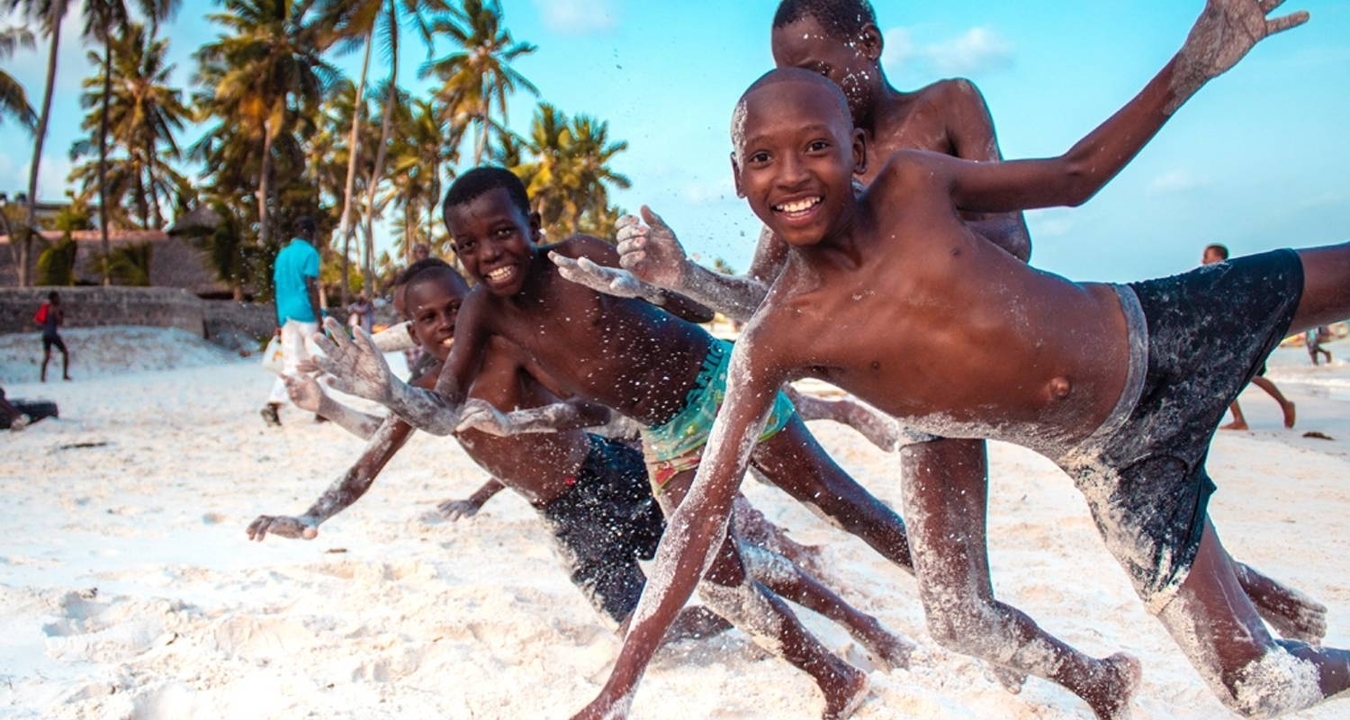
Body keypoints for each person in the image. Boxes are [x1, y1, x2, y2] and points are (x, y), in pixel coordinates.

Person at [574, 3, 1345, 718]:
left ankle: (1264, 600)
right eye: (765, 158)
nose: (793, 173)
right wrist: (620, 688)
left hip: (1159, 328)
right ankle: (1119, 672)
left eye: (817, 144)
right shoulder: (780, 333)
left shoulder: (916, 177)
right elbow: (699, 517)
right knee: (1265, 686)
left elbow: (1073, 179)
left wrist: (1194, 63)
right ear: (739, 176)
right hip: (1111, 457)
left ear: (858, 150)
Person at [313, 167, 938, 718]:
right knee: (721, 585)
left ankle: (958, 600)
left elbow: (688, 311)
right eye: (469, 246)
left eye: (502, 232)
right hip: (663, 437)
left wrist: (639, 281)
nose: (489, 253)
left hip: (720, 388)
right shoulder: (483, 311)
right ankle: (836, 676)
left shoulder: (579, 254)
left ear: (531, 223)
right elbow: (445, 410)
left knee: (841, 503)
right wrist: (390, 391)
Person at [252, 261, 912, 668]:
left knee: (713, 558)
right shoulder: (423, 391)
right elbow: (373, 452)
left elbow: (579, 408)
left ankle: (851, 616)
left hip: (608, 472)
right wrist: (309, 512)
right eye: (428, 317)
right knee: (665, 623)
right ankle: (762, 585)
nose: (447, 322)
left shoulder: (508, 352)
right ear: (413, 331)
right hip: (567, 520)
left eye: (456, 307)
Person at [1203, 243, 1298, 429]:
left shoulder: (1229, 276)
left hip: (1243, 337)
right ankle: (1240, 419)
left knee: (1251, 376)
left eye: (1207, 257)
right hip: (1231, 337)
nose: (1203, 261)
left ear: (1219, 258)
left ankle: (1284, 404)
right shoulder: (1218, 278)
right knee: (1223, 378)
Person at [261, 215, 324, 427]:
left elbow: (276, 290)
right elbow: (310, 286)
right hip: (306, 314)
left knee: (292, 363)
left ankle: (273, 403)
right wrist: (319, 318)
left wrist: (277, 321)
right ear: (309, 233)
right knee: (320, 360)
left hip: (286, 316)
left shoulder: (282, 255)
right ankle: (323, 409)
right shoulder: (310, 253)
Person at [35, 290, 70, 382]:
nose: (58, 299)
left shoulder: (46, 308)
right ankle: (65, 375)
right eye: (57, 297)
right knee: (65, 352)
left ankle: (42, 377)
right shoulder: (55, 309)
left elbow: (40, 321)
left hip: (45, 334)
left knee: (46, 356)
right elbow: (59, 322)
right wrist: (61, 315)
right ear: (53, 298)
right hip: (53, 335)